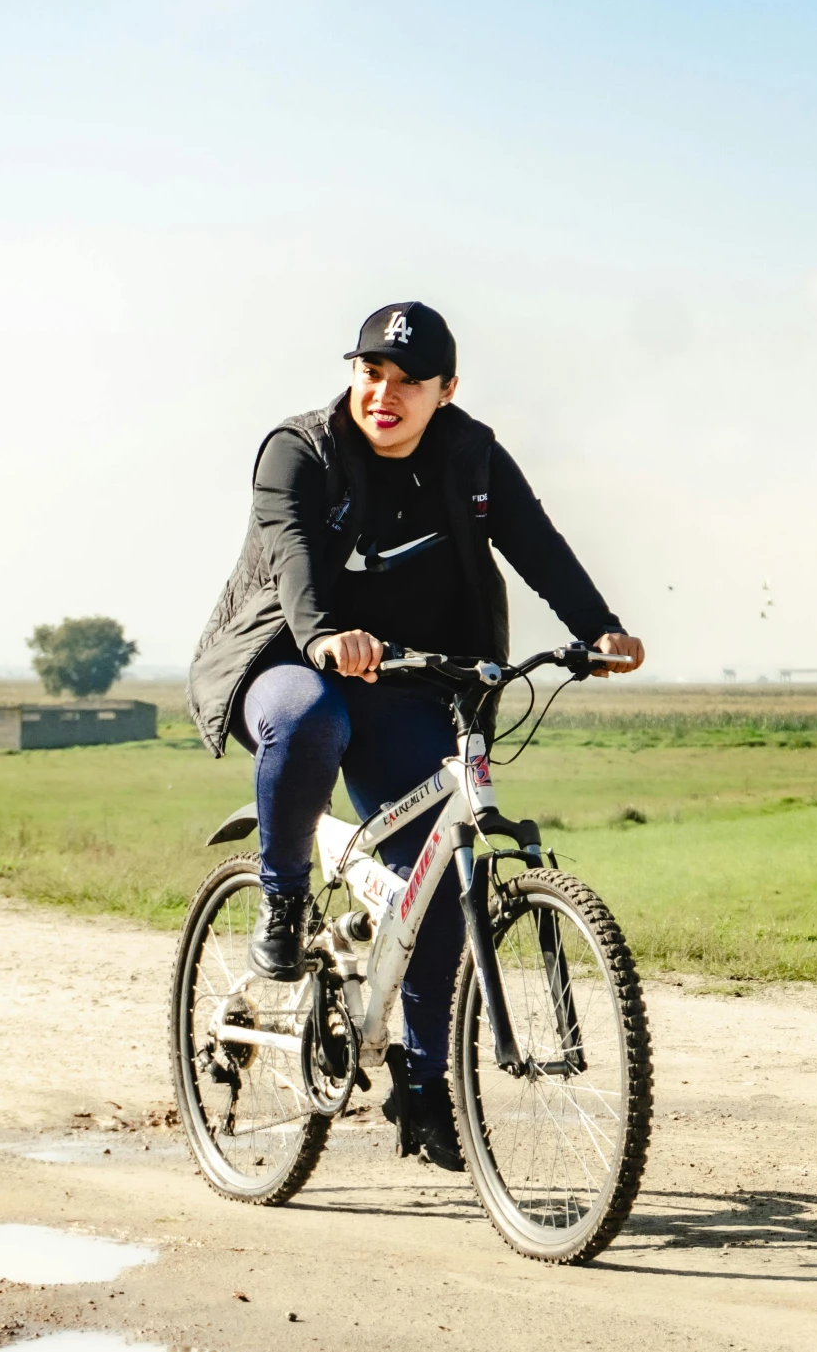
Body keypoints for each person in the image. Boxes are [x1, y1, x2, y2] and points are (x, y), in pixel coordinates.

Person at [186, 302, 642, 1168]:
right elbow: (291, 558)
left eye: (406, 381)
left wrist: (601, 629)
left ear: (446, 390)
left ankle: (427, 1085)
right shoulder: (301, 450)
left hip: (410, 677)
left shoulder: (471, 458)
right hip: (288, 657)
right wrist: (324, 633)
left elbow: (535, 543)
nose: (383, 394)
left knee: (433, 874)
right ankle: (283, 897)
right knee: (310, 716)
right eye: (370, 373)